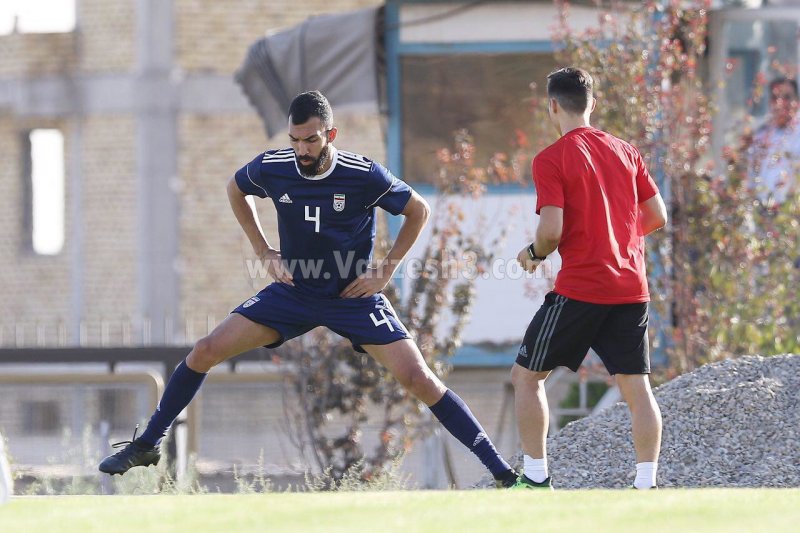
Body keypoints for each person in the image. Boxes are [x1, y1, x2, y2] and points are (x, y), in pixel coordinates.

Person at [99, 90, 517, 488]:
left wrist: (385, 271)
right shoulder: (274, 166)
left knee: (418, 377)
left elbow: (417, 210)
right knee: (205, 350)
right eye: (295, 140)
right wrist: (263, 250)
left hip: (351, 297)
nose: (302, 150)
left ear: (330, 134)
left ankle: (501, 472)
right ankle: (148, 443)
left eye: (311, 139)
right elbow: (236, 188)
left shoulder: (362, 174)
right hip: (294, 293)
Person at [510, 68, 667, 490]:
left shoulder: (550, 159)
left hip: (582, 288)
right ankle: (647, 483)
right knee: (638, 389)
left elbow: (551, 230)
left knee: (526, 378)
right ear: (592, 105)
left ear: (553, 106)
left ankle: (536, 478)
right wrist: (615, 236)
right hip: (632, 287)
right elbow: (657, 216)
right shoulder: (627, 151)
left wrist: (534, 254)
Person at [747, 77, 800, 205]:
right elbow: (751, 177)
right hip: (764, 212)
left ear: (797, 102)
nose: (780, 103)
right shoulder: (761, 136)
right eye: (775, 97)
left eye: (787, 97)